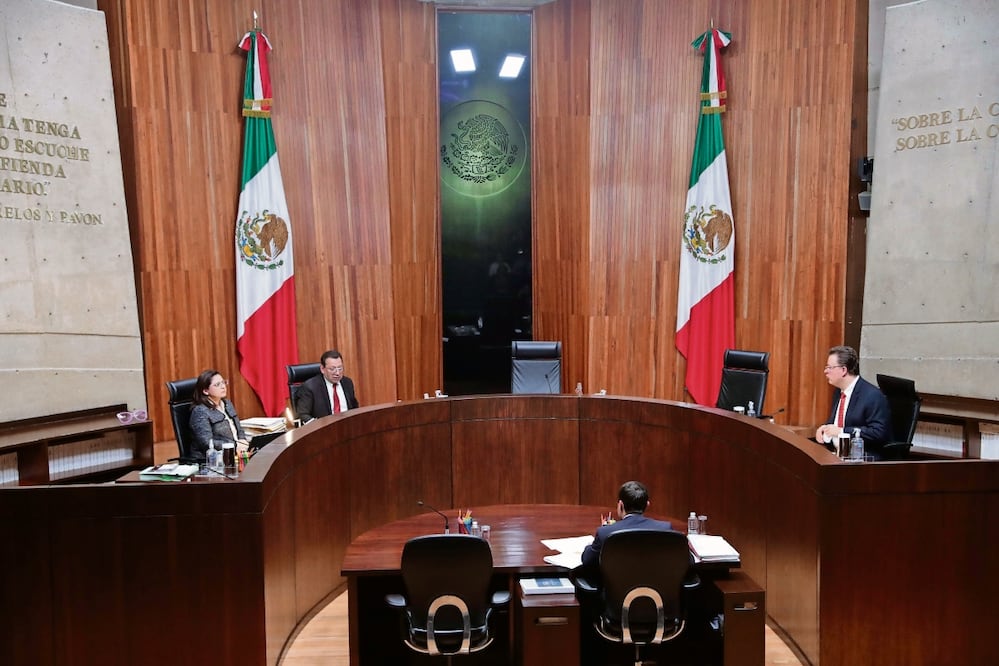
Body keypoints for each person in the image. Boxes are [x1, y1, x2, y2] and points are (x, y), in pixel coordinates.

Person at [814, 345, 892, 459]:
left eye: (829, 367)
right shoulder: (838, 391)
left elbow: (878, 433)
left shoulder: (872, 395)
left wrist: (842, 431)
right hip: (837, 455)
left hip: (862, 459)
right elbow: (836, 422)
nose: (825, 371)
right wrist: (824, 428)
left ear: (843, 370)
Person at [580, 480, 673, 570]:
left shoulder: (605, 532)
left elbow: (588, 561)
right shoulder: (665, 529)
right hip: (655, 585)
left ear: (621, 505)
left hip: (615, 586)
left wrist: (590, 546)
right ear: (647, 505)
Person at [189, 369, 249, 463]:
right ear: (205, 391)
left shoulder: (227, 403)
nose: (223, 387)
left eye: (223, 382)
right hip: (212, 460)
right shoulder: (200, 411)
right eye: (217, 385)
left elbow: (239, 428)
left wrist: (242, 440)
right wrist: (234, 446)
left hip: (236, 454)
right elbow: (206, 443)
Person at [295, 350, 359, 422]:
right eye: (332, 369)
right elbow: (303, 414)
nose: (337, 373)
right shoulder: (310, 387)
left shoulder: (347, 383)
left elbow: (354, 408)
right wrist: (316, 425)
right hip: (324, 429)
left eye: (340, 368)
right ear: (322, 369)